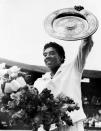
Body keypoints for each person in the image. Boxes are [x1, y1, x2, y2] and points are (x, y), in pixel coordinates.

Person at [33, 35, 94, 131]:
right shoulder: (39, 82)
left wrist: (86, 31)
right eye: (45, 55)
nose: (47, 56)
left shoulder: (73, 68)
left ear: (61, 57)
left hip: (71, 124)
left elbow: (85, 46)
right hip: (47, 127)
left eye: (52, 53)